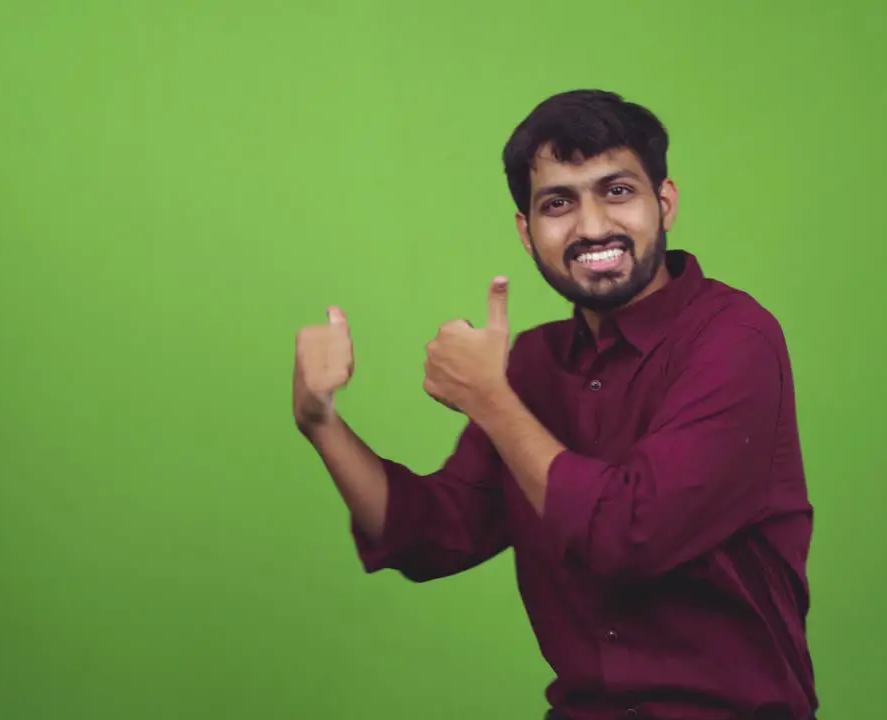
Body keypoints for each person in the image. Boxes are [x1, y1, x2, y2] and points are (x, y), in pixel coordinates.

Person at [291, 89, 818, 720]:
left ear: (666, 203)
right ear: (526, 231)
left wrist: (490, 399)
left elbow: (631, 534)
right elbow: (431, 536)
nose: (592, 226)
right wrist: (321, 423)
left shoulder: (735, 338)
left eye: (617, 190)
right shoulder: (534, 363)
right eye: (558, 203)